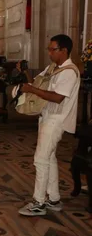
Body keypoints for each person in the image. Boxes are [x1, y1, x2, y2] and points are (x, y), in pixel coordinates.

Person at [17, 35, 80, 216]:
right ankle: (53, 198)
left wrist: (32, 90)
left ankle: (39, 202)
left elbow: (57, 97)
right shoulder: (54, 68)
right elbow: (36, 83)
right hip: (48, 116)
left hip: (57, 119)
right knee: (49, 158)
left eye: (53, 49)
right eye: (49, 49)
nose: (49, 53)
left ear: (64, 51)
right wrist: (25, 73)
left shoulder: (69, 71)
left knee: (41, 159)